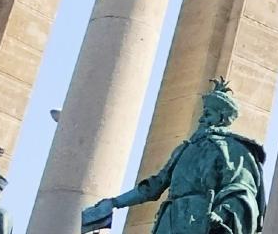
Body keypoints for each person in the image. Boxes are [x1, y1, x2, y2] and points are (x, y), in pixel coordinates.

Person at [81, 80, 265, 234]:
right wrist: (114, 203)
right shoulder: (184, 149)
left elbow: (241, 190)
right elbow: (153, 186)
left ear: (222, 119)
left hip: (199, 218)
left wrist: (222, 215)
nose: (201, 119)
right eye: (203, 113)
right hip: (170, 219)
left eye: (207, 114)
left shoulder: (232, 149)